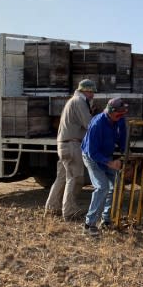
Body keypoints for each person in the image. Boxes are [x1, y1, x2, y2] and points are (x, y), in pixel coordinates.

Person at [45, 79, 96, 221]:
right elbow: (89, 124)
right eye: (91, 92)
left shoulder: (72, 101)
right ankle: (69, 211)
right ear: (84, 90)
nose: (92, 95)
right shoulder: (80, 102)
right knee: (74, 178)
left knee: (61, 177)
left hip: (63, 144)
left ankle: (52, 207)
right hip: (72, 144)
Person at [81, 97, 129, 237]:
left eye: (122, 115)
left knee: (116, 185)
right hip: (92, 158)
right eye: (119, 115)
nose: (121, 117)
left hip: (106, 156)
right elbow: (92, 152)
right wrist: (110, 163)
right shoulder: (97, 124)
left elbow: (122, 134)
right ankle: (89, 225)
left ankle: (106, 220)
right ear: (111, 112)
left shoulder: (118, 119)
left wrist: (124, 151)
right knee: (102, 187)